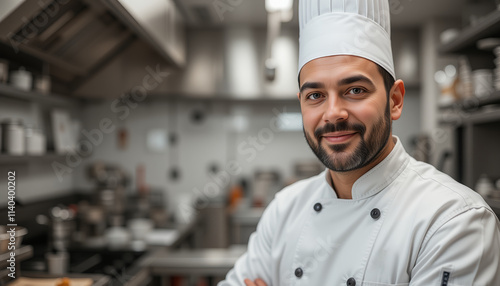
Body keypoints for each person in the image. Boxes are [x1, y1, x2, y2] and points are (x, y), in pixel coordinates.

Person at [219, 0, 500, 285]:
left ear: (394, 100)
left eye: (355, 90)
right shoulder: (284, 209)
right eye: (315, 95)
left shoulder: (454, 220)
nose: (332, 114)